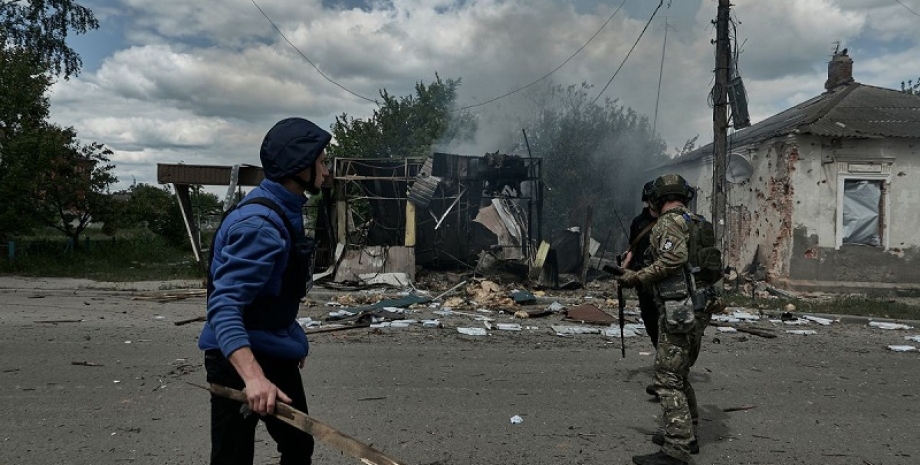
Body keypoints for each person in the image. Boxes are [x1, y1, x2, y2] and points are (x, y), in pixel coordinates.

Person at [198, 117, 332, 465]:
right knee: (232, 457)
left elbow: (272, 293)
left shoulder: (285, 207)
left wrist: (289, 337)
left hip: (271, 348)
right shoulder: (260, 227)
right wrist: (254, 378)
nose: (326, 170)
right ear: (299, 166)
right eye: (321, 161)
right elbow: (224, 307)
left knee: (298, 445)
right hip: (238, 358)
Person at [616, 174, 725, 465]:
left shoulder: (668, 223)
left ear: (657, 199)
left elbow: (671, 261)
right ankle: (686, 435)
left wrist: (636, 277)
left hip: (680, 308)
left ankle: (677, 450)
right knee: (679, 371)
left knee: (667, 377)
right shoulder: (699, 223)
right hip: (699, 307)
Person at [622, 181, 661, 399]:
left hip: (664, 281)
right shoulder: (639, 222)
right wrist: (622, 271)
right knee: (650, 320)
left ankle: (666, 366)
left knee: (666, 322)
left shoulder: (670, 221)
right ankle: (662, 353)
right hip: (643, 279)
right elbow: (632, 249)